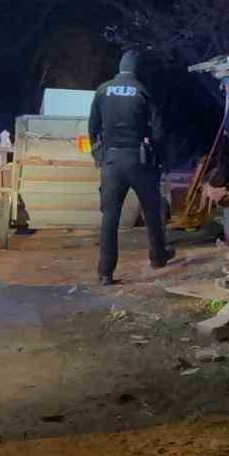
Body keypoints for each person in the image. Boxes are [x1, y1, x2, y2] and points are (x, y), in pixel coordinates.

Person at [88, 48, 172, 285]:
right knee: (152, 210)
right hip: (139, 161)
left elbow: (93, 127)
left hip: (112, 161)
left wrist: (98, 154)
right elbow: (158, 130)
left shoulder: (102, 90)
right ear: (137, 69)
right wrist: (161, 158)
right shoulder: (143, 91)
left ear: (120, 67)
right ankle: (158, 257)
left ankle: (105, 272)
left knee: (110, 217)